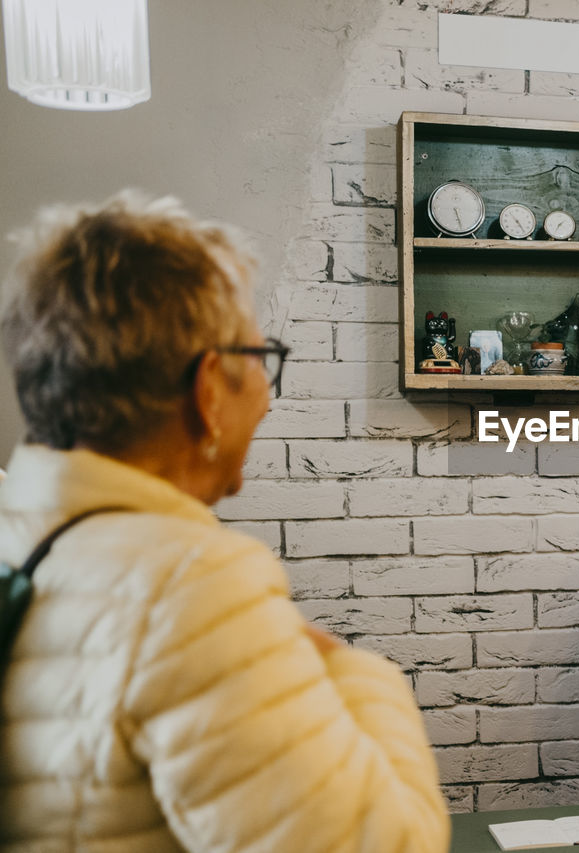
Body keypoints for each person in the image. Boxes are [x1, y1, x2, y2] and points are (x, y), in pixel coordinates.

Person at [0, 194, 450, 851]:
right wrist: (353, 670)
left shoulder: (19, 533)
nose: (266, 394)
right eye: (259, 356)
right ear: (209, 389)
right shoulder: (189, 584)